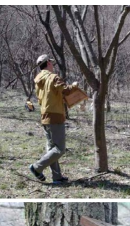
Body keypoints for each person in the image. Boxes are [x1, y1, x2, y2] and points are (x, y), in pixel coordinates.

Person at [29, 54, 81, 184]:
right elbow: (66, 91)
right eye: (51, 63)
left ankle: (57, 177)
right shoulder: (53, 77)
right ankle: (37, 167)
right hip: (56, 116)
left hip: (44, 116)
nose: (53, 65)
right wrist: (74, 85)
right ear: (48, 63)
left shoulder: (37, 80)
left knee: (52, 147)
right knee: (59, 149)